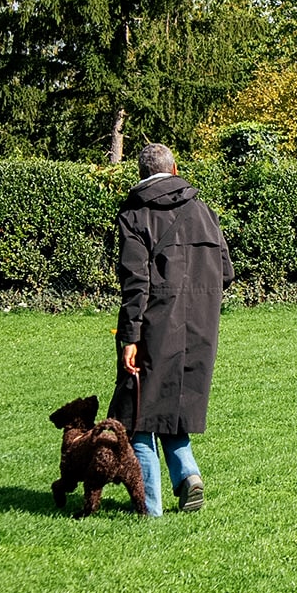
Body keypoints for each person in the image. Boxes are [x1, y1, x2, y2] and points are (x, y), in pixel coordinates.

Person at [109, 143, 234, 516]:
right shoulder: (203, 210)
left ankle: (151, 507)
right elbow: (225, 272)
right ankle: (187, 475)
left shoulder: (134, 214)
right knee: (171, 404)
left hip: (154, 325)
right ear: (175, 168)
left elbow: (135, 283)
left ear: (141, 174)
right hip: (200, 324)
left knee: (138, 414)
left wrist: (130, 337)